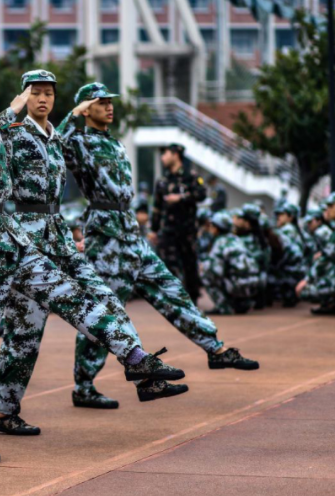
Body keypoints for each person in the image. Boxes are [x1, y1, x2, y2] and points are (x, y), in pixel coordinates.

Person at [0, 53, 187, 463]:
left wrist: (29, 105)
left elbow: (30, 128)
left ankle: (137, 361)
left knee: (72, 296)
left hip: (12, 238)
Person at [57, 81, 259, 407]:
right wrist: (73, 114)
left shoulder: (115, 143)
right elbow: (52, 145)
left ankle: (215, 349)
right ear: (86, 108)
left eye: (110, 101)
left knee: (171, 290)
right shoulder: (78, 142)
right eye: (101, 102)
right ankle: (86, 386)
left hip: (131, 233)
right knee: (105, 314)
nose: (109, 106)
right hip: (106, 239)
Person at [150, 143, 206, 304]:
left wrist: (181, 198)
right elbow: (157, 207)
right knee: (166, 263)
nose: (163, 158)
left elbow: (202, 194)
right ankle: (172, 297)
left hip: (187, 229)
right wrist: (154, 230)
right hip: (168, 230)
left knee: (189, 263)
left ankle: (193, 299)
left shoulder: (191, 176)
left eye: (165, 154)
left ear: (175, 155)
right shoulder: (163, 181)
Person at [200, 212, 259, 315]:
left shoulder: (220, 242)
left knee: (205, 273)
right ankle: (241, 303)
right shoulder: (236, 239)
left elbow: (214, 270)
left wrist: (203, 266)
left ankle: (224, 307)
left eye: (212, 225)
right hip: (252, 284)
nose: (210, 228)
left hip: (237, 285)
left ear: (217, 228)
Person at [271, 202, 306, 307]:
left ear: (291, 217)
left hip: (289, 272)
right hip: (296, 271)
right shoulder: (294, 229)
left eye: (282, 214)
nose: (278, 217)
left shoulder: (287, 230)